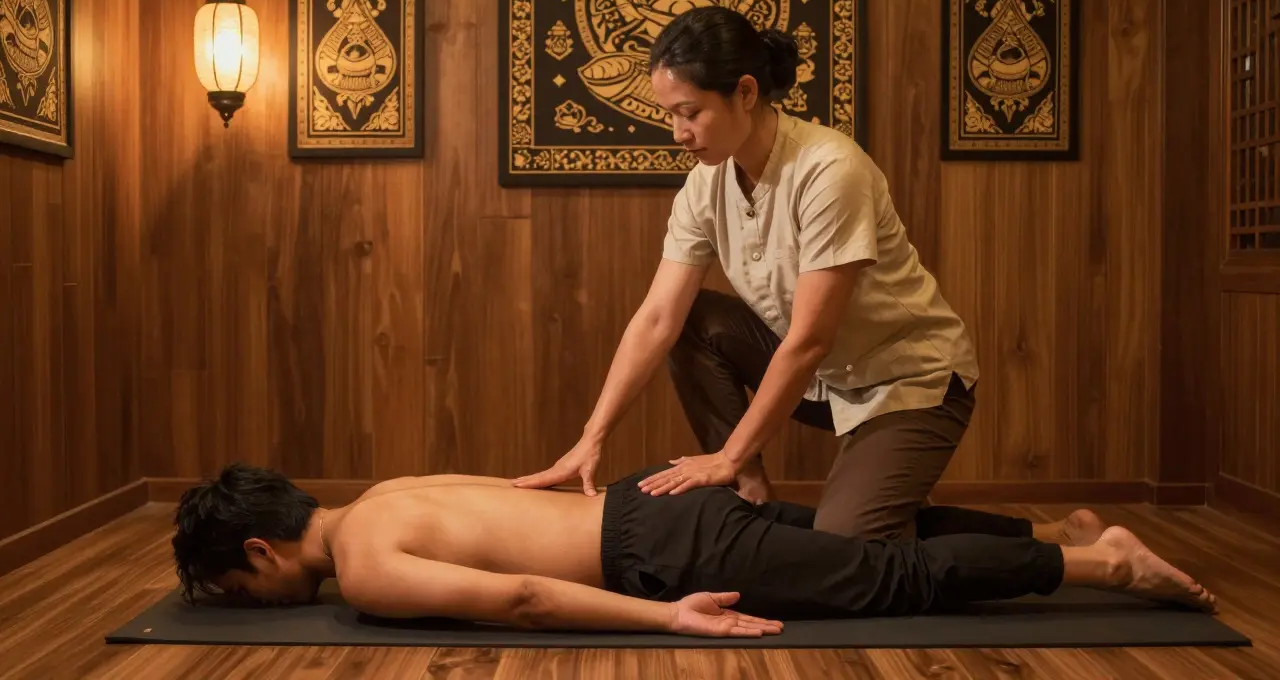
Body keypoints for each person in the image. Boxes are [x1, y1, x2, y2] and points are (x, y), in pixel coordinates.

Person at [513, 6, 982, 541]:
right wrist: (590, 438)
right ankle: (749, 488)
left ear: (745, 92)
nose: (678, 133)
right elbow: (658, 317)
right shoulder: (706, 183)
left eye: (690, 112)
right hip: (827, 383)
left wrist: (727, 455)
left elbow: (809, 339)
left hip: (908, 382)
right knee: (691, 318)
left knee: (853, 547)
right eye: (670, 115)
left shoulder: (830, 170)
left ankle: (1058, 547)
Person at [171, 463, 1216, 638]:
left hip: (654, 548)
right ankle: (1058, 533)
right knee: (851, 534)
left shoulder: (365, 567)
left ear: (261, 551)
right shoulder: (382, 493)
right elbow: (521, 506)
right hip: (642, 505)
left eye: (232, 588)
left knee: (882, 580)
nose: (247, 601)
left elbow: (526, 599)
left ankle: (1104, 566)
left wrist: (668, 614)